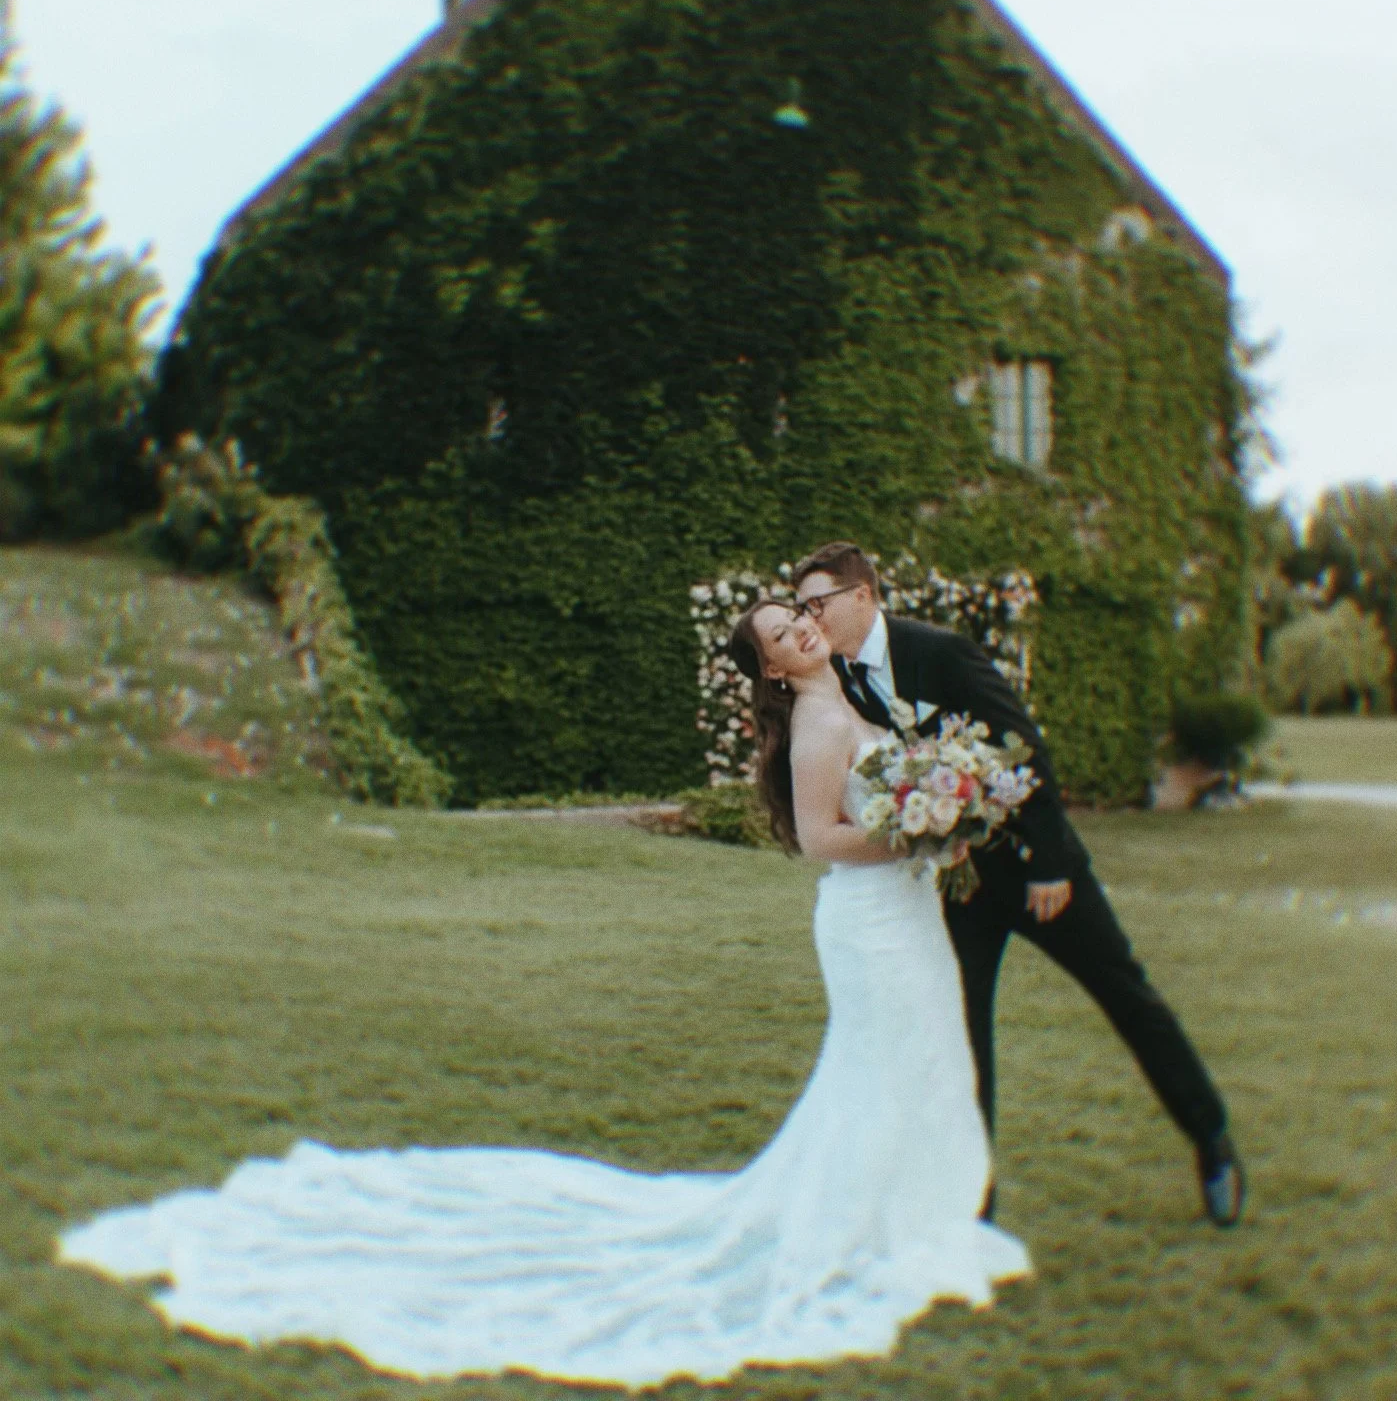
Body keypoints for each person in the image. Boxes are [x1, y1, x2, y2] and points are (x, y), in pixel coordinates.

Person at [57, 600, 1028, 1388]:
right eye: (783, 633)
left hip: (901, 916)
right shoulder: (816, 724)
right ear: (773, 668)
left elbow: (891, 786)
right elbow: (821, 839)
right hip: (868, 916)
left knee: (917, 1061)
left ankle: (911, 1217)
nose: (804, 631)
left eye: (801, 618)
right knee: (882, 1068)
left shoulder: (850, 694)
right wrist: (918, 833)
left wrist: (937, 805)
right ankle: (867, 1234)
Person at [791, 540, 1245, 1227]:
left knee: (1125, 994)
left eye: (817, 603)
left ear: (862, 597)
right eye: (801, 609)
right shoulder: (846, 683)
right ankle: (975, 1201)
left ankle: (1211, 1139)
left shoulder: (940, 653)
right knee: (961, 1033)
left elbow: (1023, 744)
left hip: (1038, 871)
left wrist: (1050, 864)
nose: (810, 618)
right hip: (958, 884)